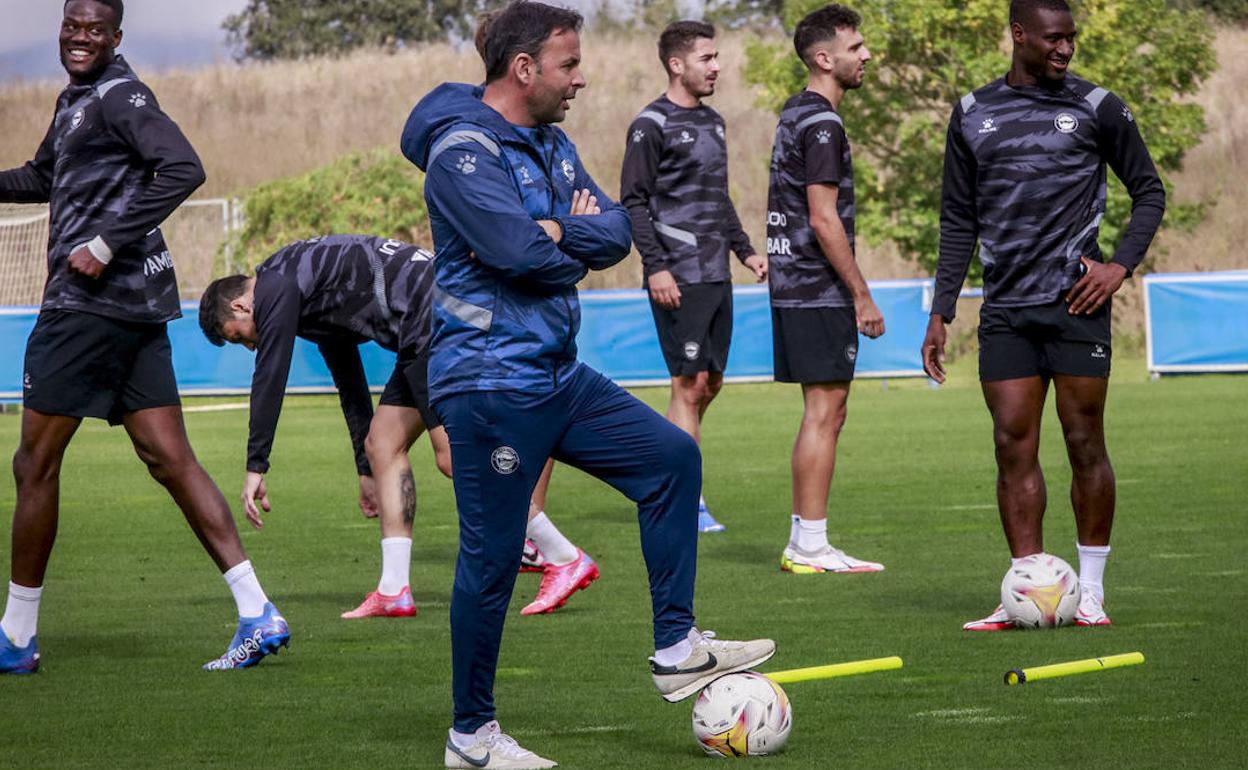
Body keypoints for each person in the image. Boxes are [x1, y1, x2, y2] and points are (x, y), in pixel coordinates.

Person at [401, 2, 775, 767]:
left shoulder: (551, 142)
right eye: (569, 65)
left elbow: (615, 232)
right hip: (490, 386)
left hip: (555, 373)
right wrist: (559, 237)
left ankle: (676, 647)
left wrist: (556, 234)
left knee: (672, 459)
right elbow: (519, 254)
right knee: (492, 559)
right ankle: (471, 738)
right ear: (524, 69)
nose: (582, 77)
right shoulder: (461, 152)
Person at [0, 0, 288, 674]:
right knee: (169, 460)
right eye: (72, 25)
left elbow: (183, 167)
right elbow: (44, 177)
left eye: (94, 29)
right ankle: (257, 610)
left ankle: (16, 636)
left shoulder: (119, 93)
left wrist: (102, 242)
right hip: (136, 308)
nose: (80, 37)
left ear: (116, 37)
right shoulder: (77, 100)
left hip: (88, 306)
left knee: (33, 464)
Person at [922, 0, 1165, 630]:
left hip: (1076, 304)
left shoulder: (1097, 106)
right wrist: (942, 308)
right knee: (1012, 446)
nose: (1065, 49)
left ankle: (1090, 593)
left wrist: (1119, 267)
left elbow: (1149, 190)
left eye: (1072, 39)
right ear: (1019, 34)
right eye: (1054, 39)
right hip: (1005, 310)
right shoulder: (973, 113)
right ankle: (1029, 589)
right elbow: (958, 219)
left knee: (1085, 441)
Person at [199, 235, 595, 618]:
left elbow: (271, 371)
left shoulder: (277, 287)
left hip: (437, 319)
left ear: (241, 306)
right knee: (382, 444)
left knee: (454, 458)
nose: (251, 346)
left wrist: (256, 465)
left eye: (240, 338)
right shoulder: (296, 289)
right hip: (421, 329)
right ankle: (393, 590)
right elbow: (348, 376)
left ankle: (562, 556)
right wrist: (363, 468)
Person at [620, 20, 766, 534]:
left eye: (717, 57)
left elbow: (717, 196)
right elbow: (633, 202)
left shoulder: (716, 122)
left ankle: (667, 471)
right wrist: (655, 265)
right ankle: (688, 499)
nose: (717, 67)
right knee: (689, 384)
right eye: (708, 58)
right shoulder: (650, 124)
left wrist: (746, 252)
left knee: (711, 382)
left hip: (716, 271)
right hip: (676, 273)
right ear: (677, 64)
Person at [765, 4, 886, 575]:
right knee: (825, 409)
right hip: (817, 288)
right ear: (824, 57)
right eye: (856, 46)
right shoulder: (823, 123)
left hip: (796, 286)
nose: (865, 55)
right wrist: (861, 293)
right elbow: (823, 218)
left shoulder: (796, 112)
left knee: (824, 410)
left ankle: (806, 540)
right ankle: (809, 545)